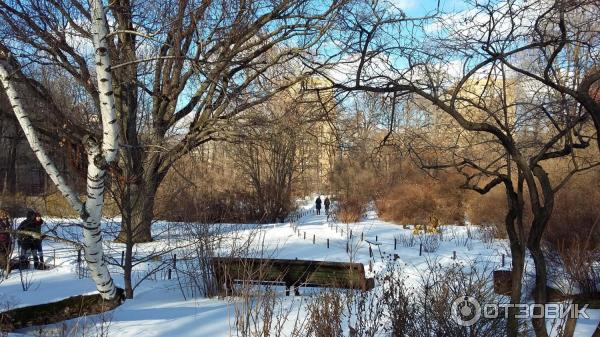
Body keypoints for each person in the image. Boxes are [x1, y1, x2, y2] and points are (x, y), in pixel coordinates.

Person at [0, 209, 11, 274]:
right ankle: (5, 268)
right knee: (2, 255)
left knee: (7, 254)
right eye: (3, 215)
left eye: (5, 215)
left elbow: (9, 229)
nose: (4, 216)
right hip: (1, 241)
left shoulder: (7, 221)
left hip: (7, 240)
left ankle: (5, 267)